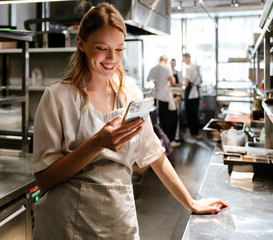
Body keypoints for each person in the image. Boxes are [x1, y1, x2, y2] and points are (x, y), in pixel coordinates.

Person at [32, 3, 227, 239]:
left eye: (119, 49)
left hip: (117, 220)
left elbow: (155, 154)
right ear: (81, 44)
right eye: (102, 48)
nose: (112, 58)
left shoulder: (130, 94)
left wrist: (190, 202)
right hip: (66, 224)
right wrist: (96, 144)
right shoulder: (57, 97)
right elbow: (44, 179)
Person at [147, 55, 179, 148]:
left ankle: (162, 141)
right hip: (165, 97)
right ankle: (170, 140)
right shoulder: (167, 68)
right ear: (166, 60)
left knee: (160, 119)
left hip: (156, 97)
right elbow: (172, 82)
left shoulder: (154, 68)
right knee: (171, 118)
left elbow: (148, 79)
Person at [182, 53, 202, 144]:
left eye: (183, 58)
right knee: (195, 115)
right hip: (196, 94)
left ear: (188, 58)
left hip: (190, 95)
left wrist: (182, 85)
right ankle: (196, 133)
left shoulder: (189, 68)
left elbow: (186, 83)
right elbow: (201, 81)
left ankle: (192, 135)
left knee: (190, 115)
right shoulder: (196, 67)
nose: (183, 60)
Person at [169, 58, 184, 147]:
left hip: (176, 95)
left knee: (176, 115)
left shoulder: (178, 73)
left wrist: (174, 84)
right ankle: (171, 138)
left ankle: (176, 136)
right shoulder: (167, 73)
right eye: (171, 63)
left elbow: (181, 84)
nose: (172, 64)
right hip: (168, 97)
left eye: (174, 63)